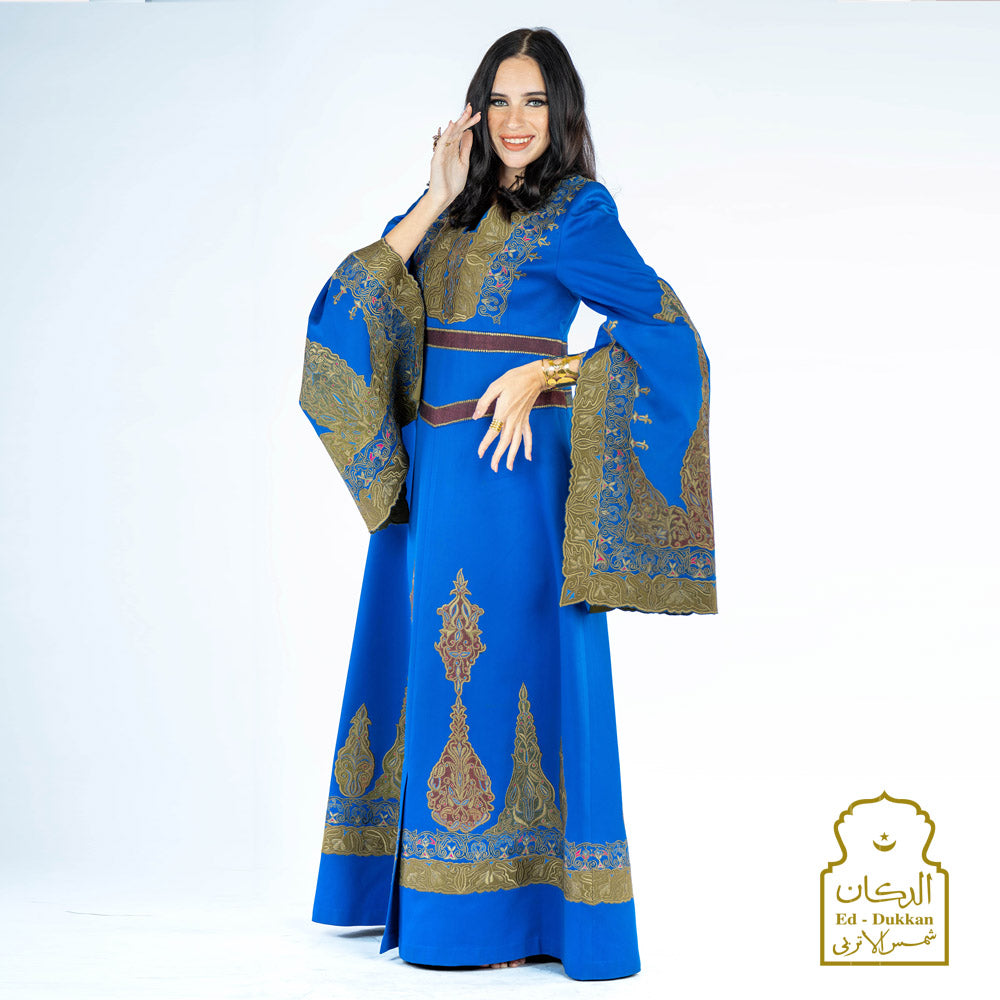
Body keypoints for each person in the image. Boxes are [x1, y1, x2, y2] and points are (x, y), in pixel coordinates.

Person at [297, 26, 716, 981]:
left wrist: (549, 372)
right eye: (499, 100)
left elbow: (668, 336)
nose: (516, 120)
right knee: (425, 663)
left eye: (535, 102)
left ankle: (511, 915)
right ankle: (417, 890)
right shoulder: (446, 208)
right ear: (475, 111)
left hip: (514, 477)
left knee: (508, 668)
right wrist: (434, 195)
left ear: (561, 113)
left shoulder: (579, 212)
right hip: (434, 479)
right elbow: (343, 314)